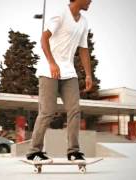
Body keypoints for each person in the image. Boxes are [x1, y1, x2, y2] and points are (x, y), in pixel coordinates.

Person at [26, 0, 93, 163]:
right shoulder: (60, 13)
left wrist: (88, 75)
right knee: (47, 111)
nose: (91, 1)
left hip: (69, 72)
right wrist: (51, 62)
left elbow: (83, 49)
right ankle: (34, 151)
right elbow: (44, 39)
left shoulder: (83, 21)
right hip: (49, 71)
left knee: (75, 110)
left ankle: (74, 151)